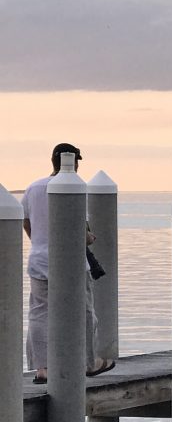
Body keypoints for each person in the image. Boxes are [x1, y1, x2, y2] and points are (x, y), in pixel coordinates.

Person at [22, 143, 114, 384]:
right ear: (73, 163)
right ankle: (88, 363)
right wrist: (89, 238)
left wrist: (40, 242)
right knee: (84, 311)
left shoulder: (33, 187)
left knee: (39, 313)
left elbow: (26, 221)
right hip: (72, 263)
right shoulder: (75, 187)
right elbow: (79, 229)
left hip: (39, 260)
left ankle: (42, 369)